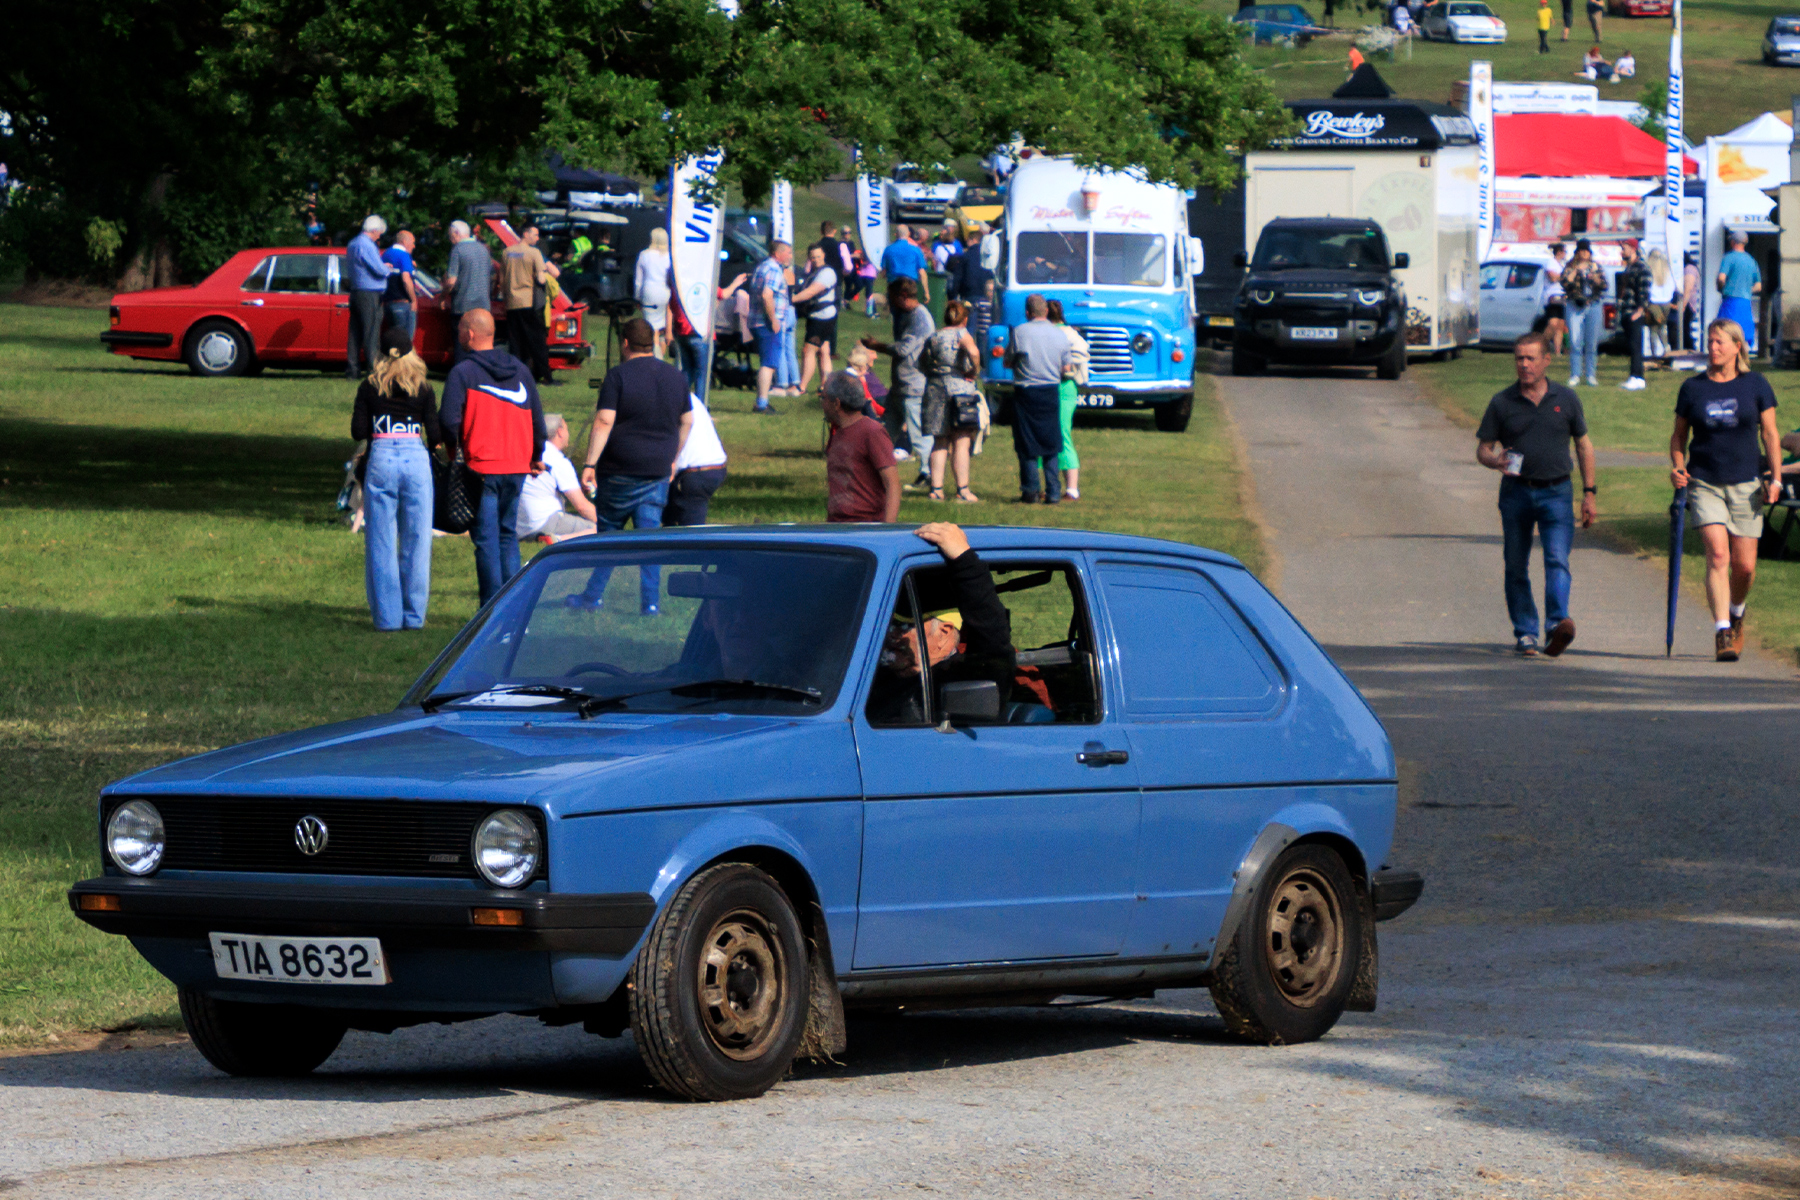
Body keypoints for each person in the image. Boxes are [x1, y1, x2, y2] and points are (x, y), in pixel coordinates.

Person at [1476, 332, 1598, 658]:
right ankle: (1526, 632)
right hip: (1516, 493)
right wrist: (1494, 460)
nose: (1525, 365)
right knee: (1516, 565)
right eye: (1519, 358)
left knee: (1557, 560)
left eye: (1531, 358)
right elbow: (1483, 449)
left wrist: (1589, 493)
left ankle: (1556, 627)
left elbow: (1584, 446)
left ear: (1547, 360)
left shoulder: (1567, 399)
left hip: (1557, 492)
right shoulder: (1502, 403)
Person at [1670, 319, 1782, 662]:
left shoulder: (1756, 384)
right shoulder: (1693, 388)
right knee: (1718, 555)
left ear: (1737, 347)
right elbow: (1679, 437)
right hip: (1704, 480)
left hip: (1747, 483)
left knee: (1745, 567)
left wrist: (1775, 478)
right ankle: (1722, 631)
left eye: (1719, 342)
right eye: (1710, 341)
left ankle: (1736, 613)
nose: (1713, 348)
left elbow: (1771, 434)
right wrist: (1677, 466)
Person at [575, 317, 694, 614]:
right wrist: (673, 458)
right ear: (652, 342)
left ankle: (592, 596)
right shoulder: (675, 376)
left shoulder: (618, 376)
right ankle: (650, 603)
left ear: (625, 343)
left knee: (610, 537)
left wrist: (590, 462)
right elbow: (687, 421)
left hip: (619, 470)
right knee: (649, 538)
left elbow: (604, 420)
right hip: (657, 471)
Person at [440, 309, 546, 606]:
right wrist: (536, 455)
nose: (459, 333)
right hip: (516, 466)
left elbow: (449, 420)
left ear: (470, 334)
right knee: (507, 534)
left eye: (461, 328)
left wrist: (453, 452)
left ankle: (490, 609)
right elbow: (538, 421)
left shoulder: (463, 372)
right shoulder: (521, 371)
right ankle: (512, 605)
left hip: (482, 468)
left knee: (486, 539)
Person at [865, 522, 1015, 727]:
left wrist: (965, 562)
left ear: (944, 632)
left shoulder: (967, 676)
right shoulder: (868, 674)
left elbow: (993, 638)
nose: (891, 635)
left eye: (904, 626)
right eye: (891, 624)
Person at [352, 325, 441, 630]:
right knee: (417, 540)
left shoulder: (369, 387)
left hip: (382, 457)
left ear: (379, 355)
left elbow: (358, 431)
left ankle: (387, 619)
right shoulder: (424, 388)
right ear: (411, 353)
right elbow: (436, 433)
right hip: (416, 457)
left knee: (381, 540)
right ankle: (414, 617)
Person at [860, 277, 936, 479]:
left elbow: (903, 349)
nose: (889, 302)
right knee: (886, 431)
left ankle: (929, 475)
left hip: (914, 386)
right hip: (900, 386)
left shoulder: (920, 319)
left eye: (892, 297)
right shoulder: (907, 315)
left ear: (903, 297)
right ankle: (873, 470)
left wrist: (876, 346)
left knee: (919, 435)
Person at [1006, 293, 1073, 504]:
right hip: (1051, 391)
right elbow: (1067, 368)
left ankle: (1031, 491)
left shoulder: (1020, 332)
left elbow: (1008, 361)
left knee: (1027, 444)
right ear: (1046, 311)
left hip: (1026, 392)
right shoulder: (1060, 334)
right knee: (1051, 442)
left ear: (1027, 312)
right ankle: (1053, 492)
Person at [920, 300, 984, 503]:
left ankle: (936, 489)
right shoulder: (962, 334)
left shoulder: (934, 336)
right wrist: (974, 370)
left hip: (936, 389)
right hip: (960, 390)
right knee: (961, 441)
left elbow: (921, 363)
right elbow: (974, 352)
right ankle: (962, 489)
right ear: (964, 319)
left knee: (940, 440)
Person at [822, 370, 901, 523]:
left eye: (824, 397)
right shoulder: (838, 432)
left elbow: (892, 483)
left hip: (865, 525)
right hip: (837, 526)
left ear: (836, 403)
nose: (822, 403)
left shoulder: (871, 431)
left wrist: (886, 531)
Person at [516, 413, 597, 544]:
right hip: (544, 521)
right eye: (566, 428)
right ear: (560, 432)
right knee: (600, 530)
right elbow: (582, 506)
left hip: (519, 525)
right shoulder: (557, 460)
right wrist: (607, 521)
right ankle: (559, 540)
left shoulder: (526, 452)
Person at [503, 225, 559, 384]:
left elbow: (502, 279)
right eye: (535, 235)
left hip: (512, 303)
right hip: (529, 303)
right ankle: (546, 376)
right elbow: (541, 279)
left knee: (515, 342)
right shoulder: (534, 253)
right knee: (537, 341)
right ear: (526, 234)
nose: (537, 238)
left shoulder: (507, 252)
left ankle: (515, 375)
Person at [1046, 299, 1090, 501]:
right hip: (1063, 387)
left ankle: (1072, 488)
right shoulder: (1071, 332)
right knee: (1058, 434)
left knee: (1062, 434)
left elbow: (1080, 352)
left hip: (1062, 387)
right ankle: (1056, 485)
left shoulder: (1065, 334)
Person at [665, 390, 728, 526]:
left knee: (690, 530)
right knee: (673, 518)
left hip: (693, 472)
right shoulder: (681, 390)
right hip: (713, 466)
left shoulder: (666, 394)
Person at [748, 241, 794, 414]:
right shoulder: (774, 270)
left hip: (756, 320)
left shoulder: (762, 267)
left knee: (767, 361)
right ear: (778, 253)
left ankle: (761, 401)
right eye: (788, 253)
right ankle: (762, 403)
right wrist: (773, 319)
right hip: (767, 322)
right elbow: (767, 295)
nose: (790, 256)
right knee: (769, 363)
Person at [443, 220, 494, 364]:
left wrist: (444, 294)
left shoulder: (458, 250)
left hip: (463, 305)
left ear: (457, 233)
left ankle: (462, 372)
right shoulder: (484, 250)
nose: (450, 239)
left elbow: (452, 281)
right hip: (483, 306)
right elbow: (491, 275)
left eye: (451, 235)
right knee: (480, 341)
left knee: (462, 342)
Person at [344, 215, 389, 379]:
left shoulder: (353, 243)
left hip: (356, 291)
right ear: (374, 230)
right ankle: (374, 369)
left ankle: (353, 368)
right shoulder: (366, 245)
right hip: (369, 292)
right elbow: (378, 270)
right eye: (379, 233)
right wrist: (387, 269)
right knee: (371, 331)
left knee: (355, 332)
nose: (380, 237)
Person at [794, 244, 840, 394]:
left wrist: (792, 299)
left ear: (824, 256)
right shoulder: (815, 272)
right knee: (824, 350)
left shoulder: (826, 273)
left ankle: (802, 386)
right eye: (812, 257)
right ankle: (825, 386)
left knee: (808, 350)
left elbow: (810, 292)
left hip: (822, 317)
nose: (815, 260)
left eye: (818, 256)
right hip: (823, 316)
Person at [1561, 239, 1607, 386]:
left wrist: (1595, 277)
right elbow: (1565, 282)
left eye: (1586, 251)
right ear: (1577, 253)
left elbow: (1604, 285)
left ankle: (1590, 375)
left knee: (1591, 342)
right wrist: (1576, 270)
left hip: (1593, 304)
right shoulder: (1570, 266)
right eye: (1581, 251)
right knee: (1575, 341)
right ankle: (1575, 374)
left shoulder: (1596, 266)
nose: (1584, 254)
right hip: (1575, 305)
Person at [1716, 231, 1762, 353]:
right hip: (1746, 303)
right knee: (1744, 334)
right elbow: (1758, 286)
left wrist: (1720, 287)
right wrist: (1747, 289)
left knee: (1725, 331)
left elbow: (1721, 278)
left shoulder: (1729, 258)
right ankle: (1743, 360)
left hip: (1731, 301)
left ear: (1732, 242)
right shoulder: (1751, 261)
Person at [1616, 239, 1651, 390]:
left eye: (1624, 248)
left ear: (1633, 249)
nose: (1622, 251)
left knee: (1636, 346)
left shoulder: (1641, 267)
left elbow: (1645, 290)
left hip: (1634, 312)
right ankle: (1633, 376)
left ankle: (1638, 377)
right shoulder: (1629, 267)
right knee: (1632, 345)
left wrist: (1640, 310)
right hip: (1626, 311)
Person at [635, 227, 673, 357]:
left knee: (653, 330)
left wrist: (637, 298)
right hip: (665, 293)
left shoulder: (644, 255)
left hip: (649, 293)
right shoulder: (670, 256)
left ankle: (657, 359)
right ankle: (661, 356)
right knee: (662, 329)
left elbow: (638, 281)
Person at [379, 229, 419, 342]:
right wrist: (413, 299)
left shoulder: (386, 254)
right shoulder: (404, 255)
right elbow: (406, 280)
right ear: (404, 242)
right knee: (405, 342)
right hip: (402, 303)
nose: (414, 246)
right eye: (413, 242)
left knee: (393, 340)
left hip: (387, 303)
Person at [880, 224, 930, 305]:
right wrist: (926, 292)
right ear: (908, 234)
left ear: (896, 234)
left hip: (894, 284)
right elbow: (922, 272)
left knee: (895, 308)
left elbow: (883, 272)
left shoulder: (888, 249)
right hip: (910, 285)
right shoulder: (916, 250)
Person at [1539, 242, 1568, 356]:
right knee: (1552, 324)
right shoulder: (1551, 263)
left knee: (1560, 325)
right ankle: (1541, 345)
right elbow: (1552, 277)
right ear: (1560, 252)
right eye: (1564, 252)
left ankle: (1557, 351)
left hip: (1562, 296)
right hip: (1552, 296)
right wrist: (1564, 277)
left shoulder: (1561, 265)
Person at [1646, 248, 1675, 359]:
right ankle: (1666, 349)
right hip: (1666, 302)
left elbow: (1649, 287)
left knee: (1653, 329)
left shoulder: (1650, 269)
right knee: (1662, 327)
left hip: (1653, 302)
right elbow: (1672, 286)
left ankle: (1654, 353)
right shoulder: (1667, 269)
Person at [1680, 253, 1702, 351]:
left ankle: (1689, 350)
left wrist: (1683, 305)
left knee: (1684, 330)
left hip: (1688, 304)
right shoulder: (1691, 268)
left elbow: (1688, 288)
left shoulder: (1689, 269)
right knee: (1684, 330)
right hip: (1688, 304)